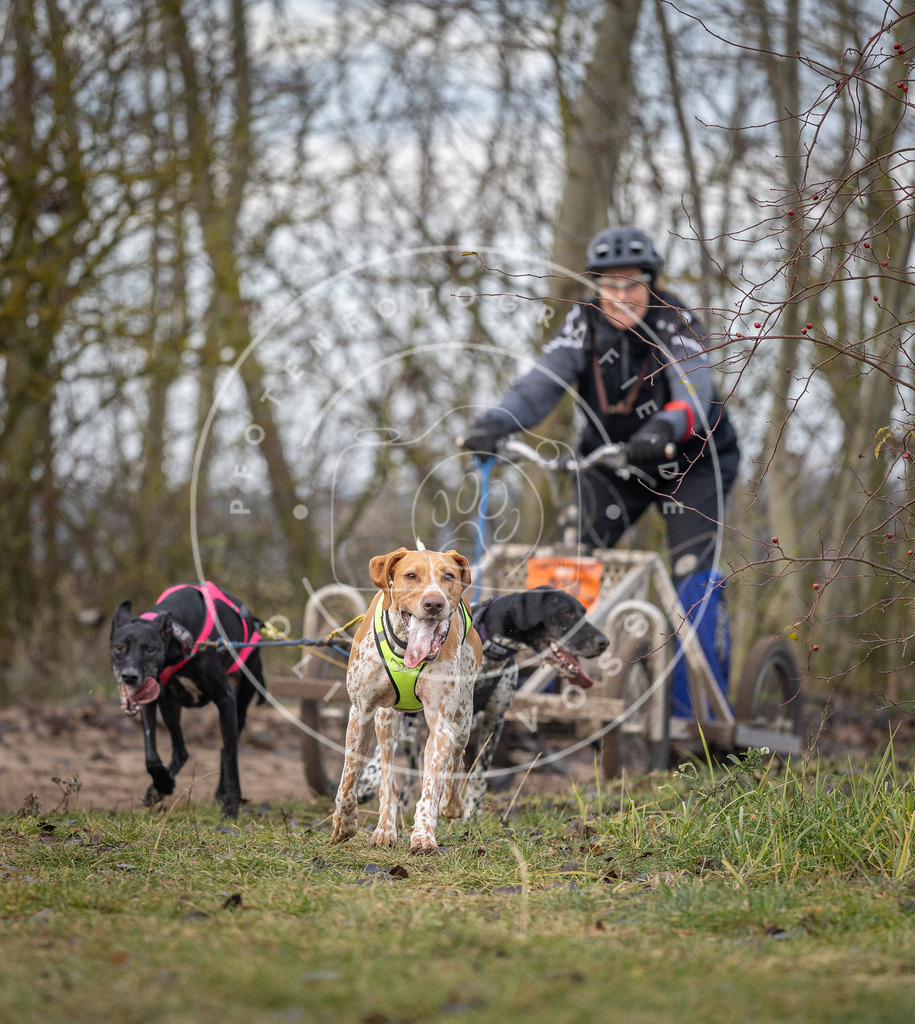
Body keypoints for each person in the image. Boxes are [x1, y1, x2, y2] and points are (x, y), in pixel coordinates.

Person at [460, 226, 740, 717]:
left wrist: (666, 427)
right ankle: (540, 699)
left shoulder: (674, 320)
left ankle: (696, 713)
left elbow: (695, 388)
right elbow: (539, 385)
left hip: (691, 462)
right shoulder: (582, 325)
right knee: (573, 567)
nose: (620, 295)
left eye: (632, 283)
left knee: (691, 578)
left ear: (650, 284)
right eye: (609, 284)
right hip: (612, 463)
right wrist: (498, 422)